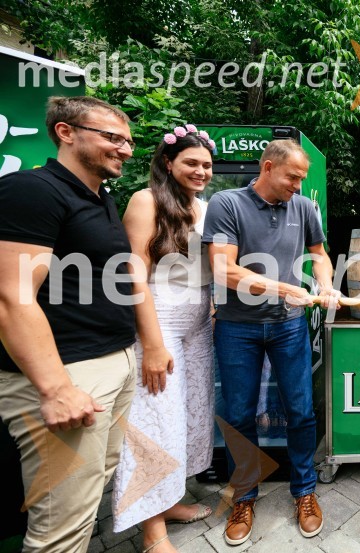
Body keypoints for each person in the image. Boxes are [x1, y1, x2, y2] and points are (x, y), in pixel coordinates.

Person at [0, 96, 137, 552]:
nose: (125, 149)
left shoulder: (100, 198)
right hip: (70, 372)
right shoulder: (32, 190)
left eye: (129, 141)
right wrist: (55, 388)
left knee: (87, 496)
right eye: (113, 138)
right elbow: (10, 296)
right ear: (66, 132)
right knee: (60, 527)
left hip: (112, 363)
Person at [202, 139, 339, 545]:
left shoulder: (304, 208)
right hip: (236, 326)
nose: (298, 186)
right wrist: (284, 288)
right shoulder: (226, 203)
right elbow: (223, 270)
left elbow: (320, 254)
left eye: (302, 178)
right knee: (240, 414)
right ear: (267, 167)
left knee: (300, 410)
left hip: (289, 326)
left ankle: (305, 492)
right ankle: (244, 496)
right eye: (293, 177)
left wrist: (327, 284)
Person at [111, 127, 218, 552]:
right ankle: (152, 531)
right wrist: (151, 343)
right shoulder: (145, 200)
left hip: (198, 328)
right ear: (168, 163)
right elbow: (132, 271)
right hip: (159, 326)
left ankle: (171, 499)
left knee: (189, 419)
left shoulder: (207, 208)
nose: (201, 171)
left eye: (207, 165)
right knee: (153, 425)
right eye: (191, 162)